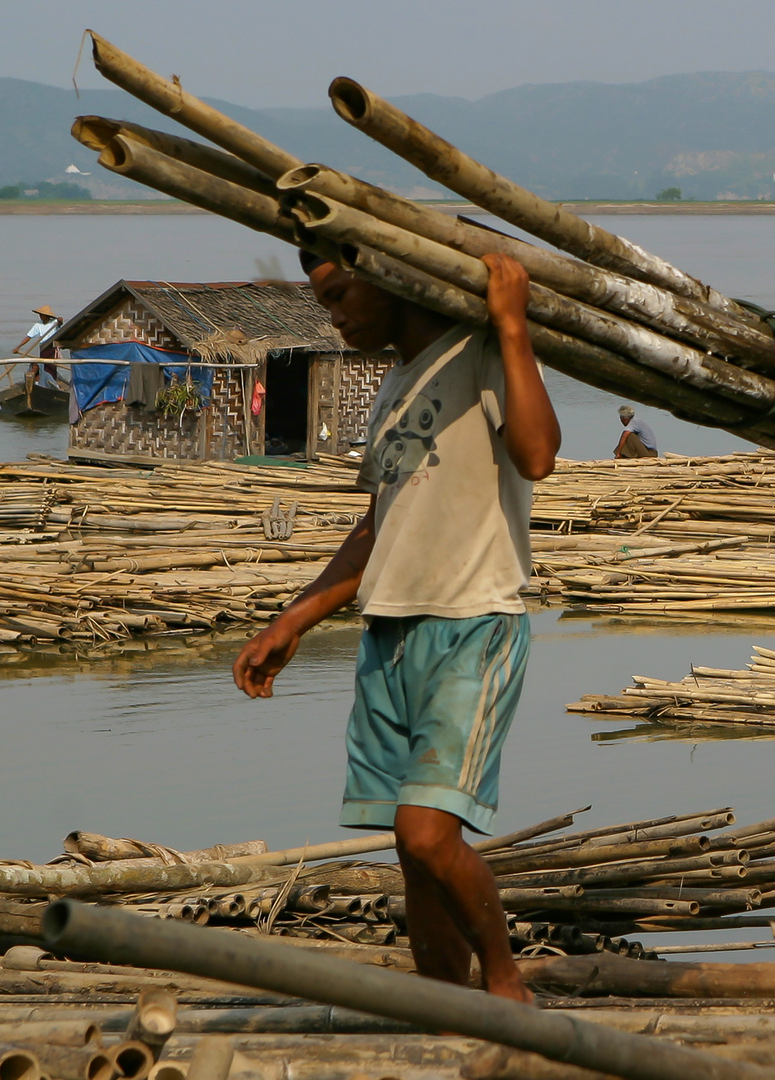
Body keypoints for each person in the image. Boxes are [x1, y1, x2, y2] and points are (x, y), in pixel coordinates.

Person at [231, 248, 559, 1002]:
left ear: (392, 280)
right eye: (325, 300)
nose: (334, 315)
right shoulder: (392, 387)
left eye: (342, 294)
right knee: (413, 858)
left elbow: (538, 456)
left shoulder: (479, 354)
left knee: (426, 833)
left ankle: (505, 984)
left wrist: (512, 325)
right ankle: (447, 1012)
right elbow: (376, 525)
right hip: (387, 634)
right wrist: (297, 618)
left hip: (472, 621)